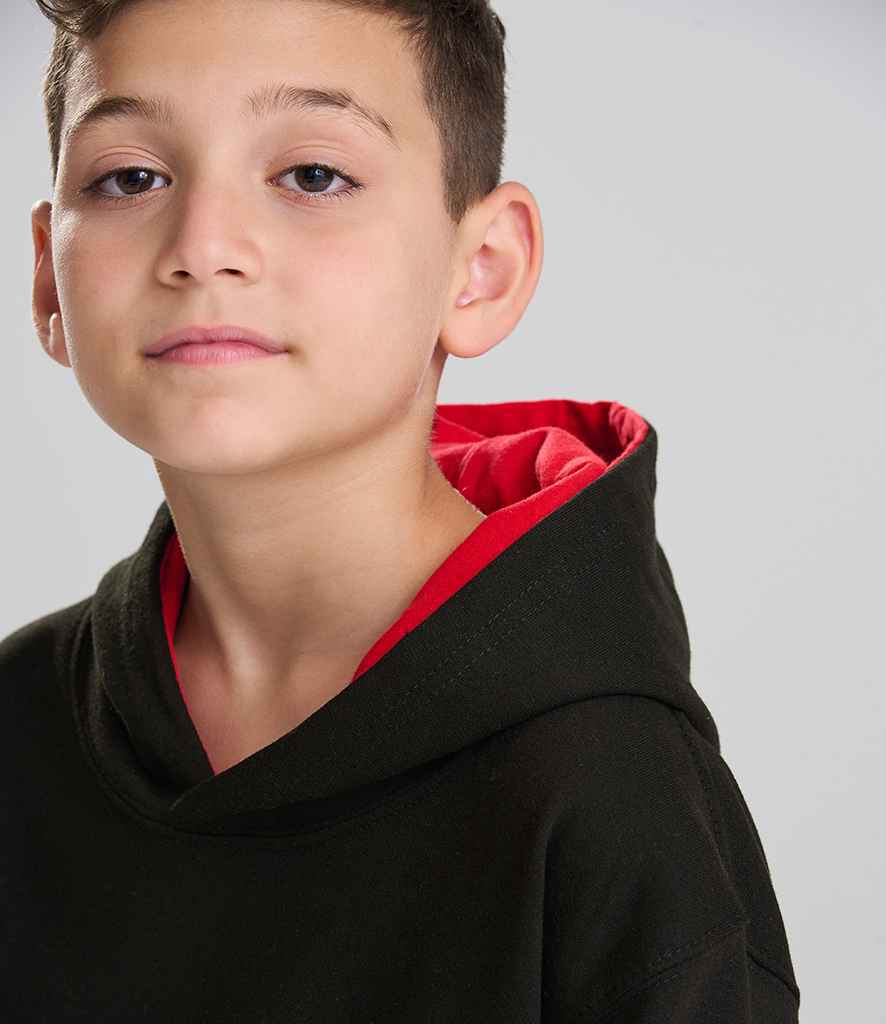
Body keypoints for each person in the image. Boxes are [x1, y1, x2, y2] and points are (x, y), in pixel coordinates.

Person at [2, 0, 800, 1020]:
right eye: (130, 177)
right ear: (48, 277)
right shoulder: (19, 717)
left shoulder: (612, 791)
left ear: (481, 270)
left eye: (311, 175)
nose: (203, 245)